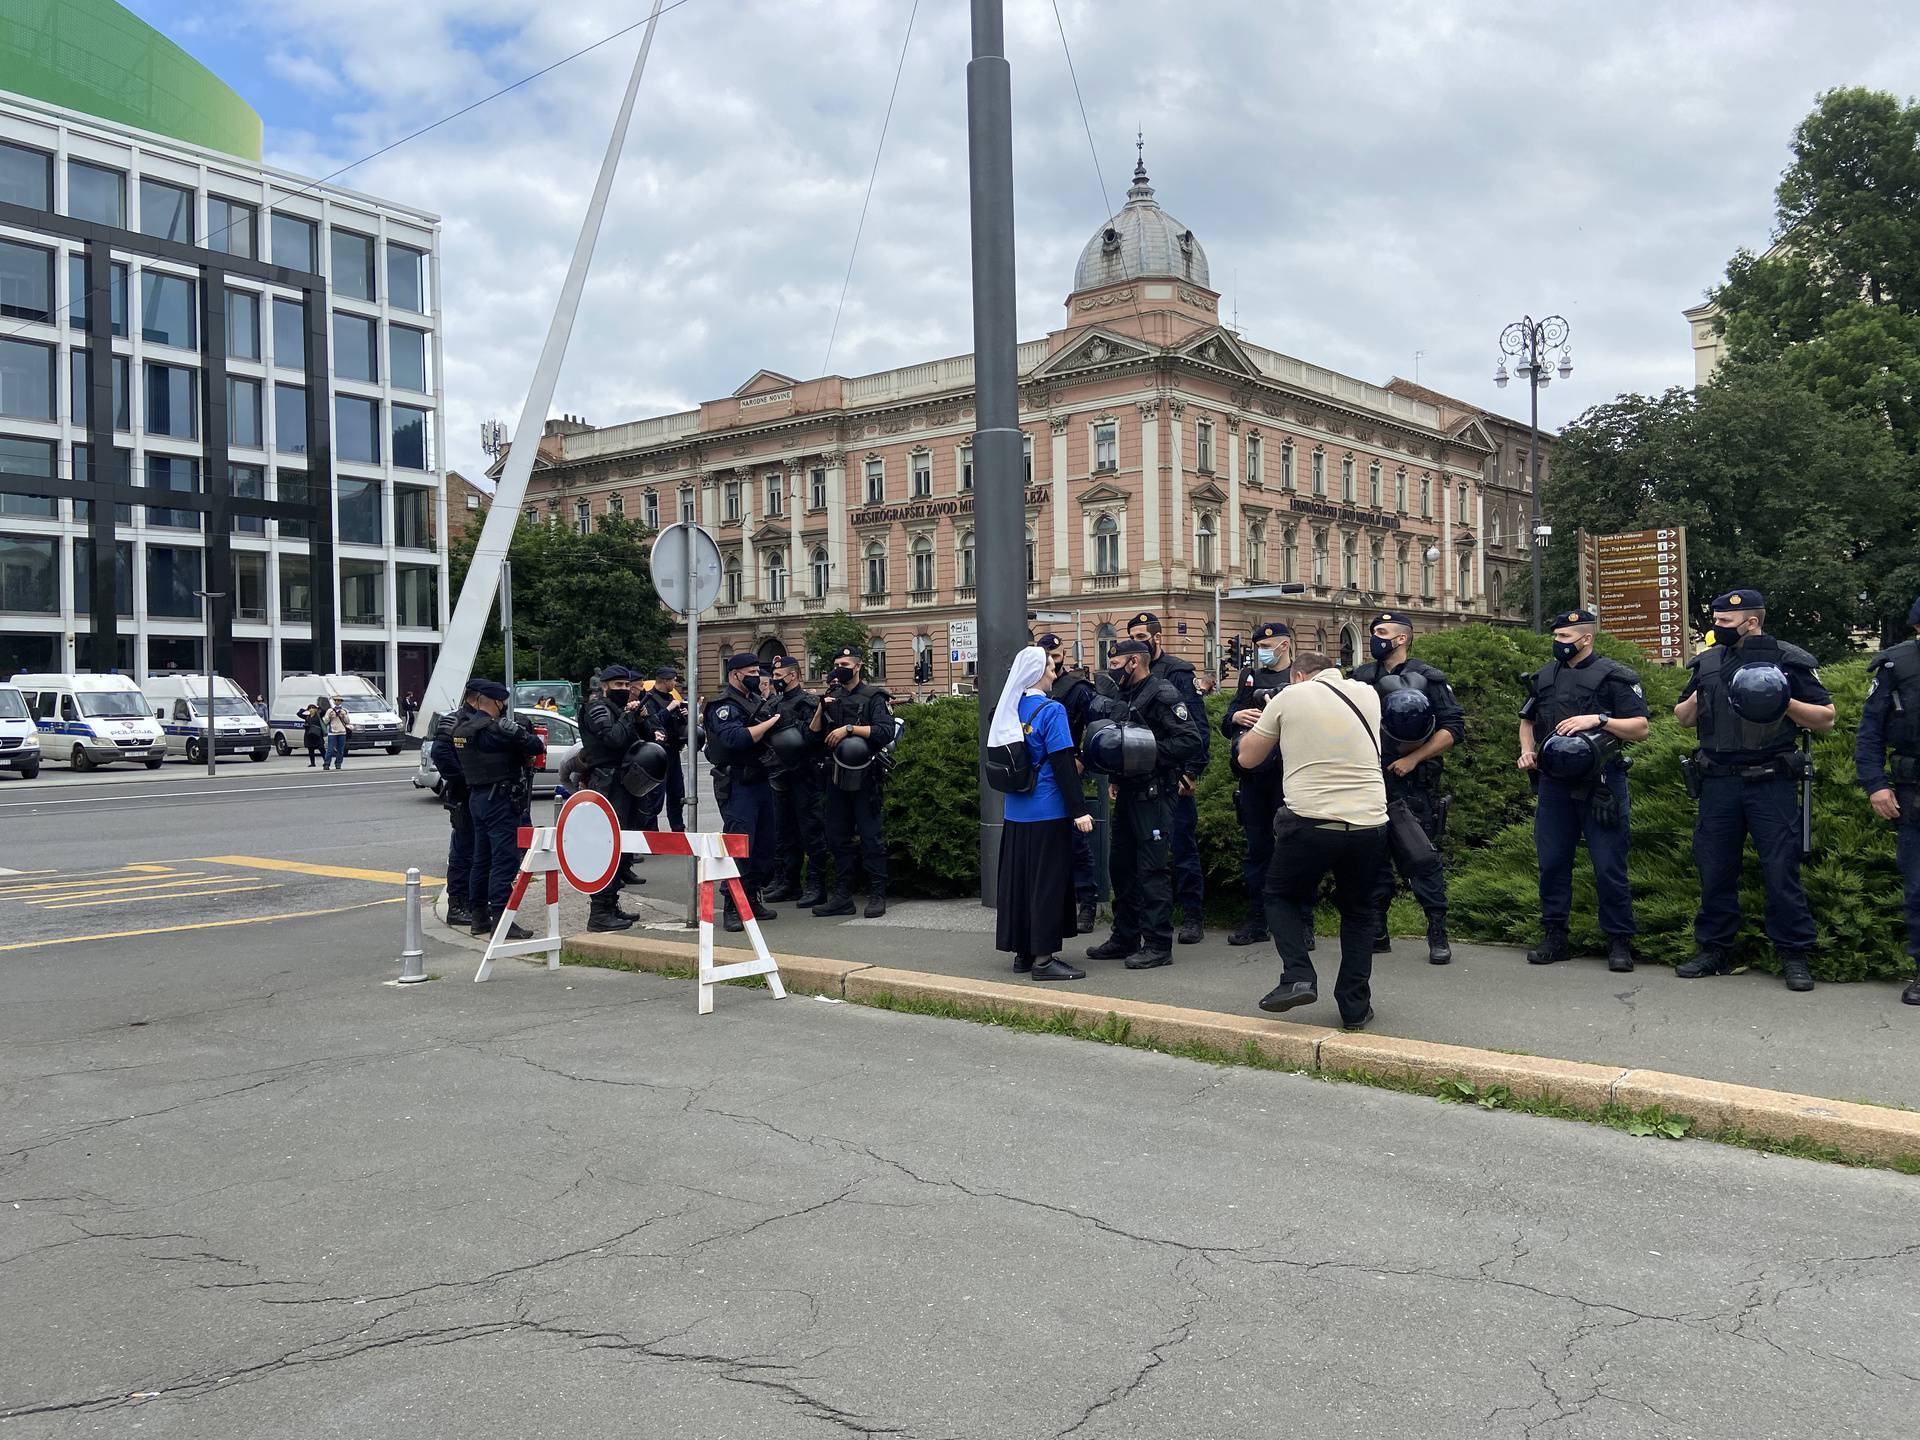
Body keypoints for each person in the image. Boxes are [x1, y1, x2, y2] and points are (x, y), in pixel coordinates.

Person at [1675, 588, 1834, 991]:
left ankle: (1794, 953)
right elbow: (1682, 718)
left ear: (1752, 622)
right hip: (1718, 783)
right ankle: (1714, 949)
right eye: (1715, 621)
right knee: (1715, 869)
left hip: (1770, 781)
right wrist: (1702, 689)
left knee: (1781, 870)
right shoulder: (1707, 662)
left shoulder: (1787, 659)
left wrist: (1781, 701)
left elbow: (1825, 718)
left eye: (1725, 622)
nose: (1717, 628)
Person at [1238, 651, 1391, 1030]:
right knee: (1358, 912)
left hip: (1311, 821)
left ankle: (1297, 976)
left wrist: (1269, 716)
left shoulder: (1290, 696)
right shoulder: (1367, 694)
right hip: (1370, 822)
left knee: (1280, 895)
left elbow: (1248, 759)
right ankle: (1355, 1007)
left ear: (1299, 676)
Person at [1518, 610, 1651, 972]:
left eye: (1564, 638)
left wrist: (1599, 720)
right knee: (1552, 864)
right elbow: (1527, 719)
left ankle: (1619, 941)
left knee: (1609, 866)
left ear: (1586, 638)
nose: (1557, 643)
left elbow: (1641, 728)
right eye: (1557, 637)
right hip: (1554, 785)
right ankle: (1555, 936)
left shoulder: (1615, 676)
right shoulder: (1544, 676)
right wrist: (1526, 750)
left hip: (1601, 785)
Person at [1086, 638, 1206, 969]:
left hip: (1155, 793)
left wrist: (1147, 755)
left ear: (1134, 662)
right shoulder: (1124, 694)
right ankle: (1125, 937)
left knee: (1152, 869)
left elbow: (1189, 740)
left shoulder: (1162, 693)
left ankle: (1157, 944)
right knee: (1121, 866)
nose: (1111, 670)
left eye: (1115, 663)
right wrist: (1115, 774)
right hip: (1128, 791)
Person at [1351, 609, 1463, 965]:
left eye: (1382, 631)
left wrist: (1414, 759)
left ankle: (1437, 931)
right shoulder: (1360, 677)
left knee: (1420, 857)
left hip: (1412, 782)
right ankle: (1378, 930)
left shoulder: (1428, 677)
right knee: (1370, 860)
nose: (1374, 636)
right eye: (1373, 631)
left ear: (1401, 638)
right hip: (1369, 780)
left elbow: (1452, 729)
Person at [991, 646, 1092, 981]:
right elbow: (1063, 763)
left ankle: (1023, 952)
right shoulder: (1052, 711)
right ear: (1036, 674)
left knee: (1020, 884)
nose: (1054, 672)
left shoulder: (1007, 709)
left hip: (1016, 812)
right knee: (1047, 885)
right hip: (1048, 811)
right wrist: (1079, 810)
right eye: (1049, 667)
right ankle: (1045, 959)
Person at [1223, 621, 1314, 949]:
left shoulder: (1302, 679)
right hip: (1255, 778)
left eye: (1267, 645)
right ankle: (1257, 920)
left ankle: (1303, 921)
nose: (1261, 650)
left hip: (1289, 776)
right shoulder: (1250, 679)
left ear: (1285, 645)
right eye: (1258, 645)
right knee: (1257, 851)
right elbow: (1228, 719)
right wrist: (1235, 717)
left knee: (1297, 849)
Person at [1127, 612, 1208, 943]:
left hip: (1175, 775)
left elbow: (1197, 729)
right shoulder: (1129, 674)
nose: (1137, 643)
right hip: (1141, 776)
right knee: (1142, 853)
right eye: (1132, 637)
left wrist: (1191, 772)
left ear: (1158, 638)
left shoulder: (1178, 673)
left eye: (1143, 637)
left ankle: (1192, 916)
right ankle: (1144, 919)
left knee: (1182, 846)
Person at [1857, 595, 1920, 1006]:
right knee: (1918, 887)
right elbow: (1870, 732)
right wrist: (1876, 784)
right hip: (1914, 791)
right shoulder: (1897, 666)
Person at [450, 678, 545, 939]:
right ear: (493, 701)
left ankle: (479, 917)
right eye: (501, 702)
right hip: (500, 800)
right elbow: (536, 746)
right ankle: (502, 921)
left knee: (481, 860)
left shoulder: (462, 728)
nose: (503, 706)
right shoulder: (495, 729)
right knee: (504, 861)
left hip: (478, 798)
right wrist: (517, 731)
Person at [810, 645, 893, 919]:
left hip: (865, 777)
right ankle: (843, 896)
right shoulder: (832, 697)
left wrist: (849, 729)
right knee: (837, 837)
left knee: (871, 838)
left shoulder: (873, 697)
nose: (840, 668)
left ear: (857, 666)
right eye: (837, 664)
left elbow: (884, 731)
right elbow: (812, 734)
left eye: (845, 664)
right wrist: (821, 708)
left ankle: (877, 894)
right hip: (835, 777)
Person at [704, 655, 783, 932]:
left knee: (764, 845)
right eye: (751, 672)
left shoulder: (752, 701)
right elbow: (735, 739)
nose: (756, 676)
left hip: (760, 778)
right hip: (737, 781)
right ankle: (732, 907)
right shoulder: (723, 706)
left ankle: (751, 897)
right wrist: (768, 725)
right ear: (735, 674)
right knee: (739, 845)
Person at [576, 664, 649, 932]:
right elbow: (614, 739)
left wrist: (640, 718)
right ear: (605, 686)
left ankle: (610, 904)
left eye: (625, 685)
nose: (623, 690)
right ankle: (599, 911)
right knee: (607, 846)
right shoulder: (598, 708)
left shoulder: (621, 709)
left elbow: (646, 739)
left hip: (624, 780)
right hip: (606, 781)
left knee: (623, 845)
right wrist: (629, 716)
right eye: (617, 685)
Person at [1039, 633, 1100, 935]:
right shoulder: (1032, 688)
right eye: (1047, 652)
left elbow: (1097, 726)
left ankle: (1087, 903)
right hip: (1042, 775)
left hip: (1070, 769)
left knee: (1077, 841)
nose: (1053, 656)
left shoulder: (1076, 688)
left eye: (1056, 651)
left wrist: (1083, 759)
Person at [763, 655, 831, 908]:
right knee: (784, 831)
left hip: (805, 775)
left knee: (811, 832)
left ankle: (816, 885)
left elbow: (813, 739)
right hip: (780, 775)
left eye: (779, 676)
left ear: (793, 676)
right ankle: (787, 882)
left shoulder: (809, 703)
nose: (775, 680)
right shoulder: (774, 703)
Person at [428, 699, 476, 929]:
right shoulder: (455, 721)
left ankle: (471, 902)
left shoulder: (478, 720)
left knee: (477, 851)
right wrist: (465, 779)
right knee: (463, 852)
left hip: (478, 794)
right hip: (464, 796)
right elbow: (440, 752)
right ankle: (457, 906)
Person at [638, 666, 688, 832]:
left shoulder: (671, 698)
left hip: (673, 751)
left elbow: (679, 725)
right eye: (673, 680)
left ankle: (678, 829)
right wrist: (669, 709)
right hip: (657, 753)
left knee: (677, 792)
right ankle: (651, 834)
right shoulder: (648, 699)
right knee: (655, 795)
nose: (675, 683)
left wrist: (684, 715)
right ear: (665, 681)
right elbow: (653, 722)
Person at [322, 695, 352, 770]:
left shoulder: (344, 710)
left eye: (339, 700)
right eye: (336, 700)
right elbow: (325, 721)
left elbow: (348, 721)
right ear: (334, 701)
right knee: (330, 749)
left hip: (342, 732)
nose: (338, 702)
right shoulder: (330, 710)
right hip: (332, 732)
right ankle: (326, 764)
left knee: (340, 750)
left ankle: (338, 763)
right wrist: (330, 716)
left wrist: (343, 716)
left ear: (341, 702)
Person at [301, 701, 325, 767]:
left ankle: (326, 761)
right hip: (309, 736)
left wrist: (318, 707)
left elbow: (323, 711)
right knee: (310, 750)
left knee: (322, 749)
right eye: (310, 708)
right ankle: (312, 763)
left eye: (313, 708)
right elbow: (299, 713)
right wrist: (304, 710)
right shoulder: (307, 717)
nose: (311, 709)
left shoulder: (318, 715)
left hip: (317, 735)